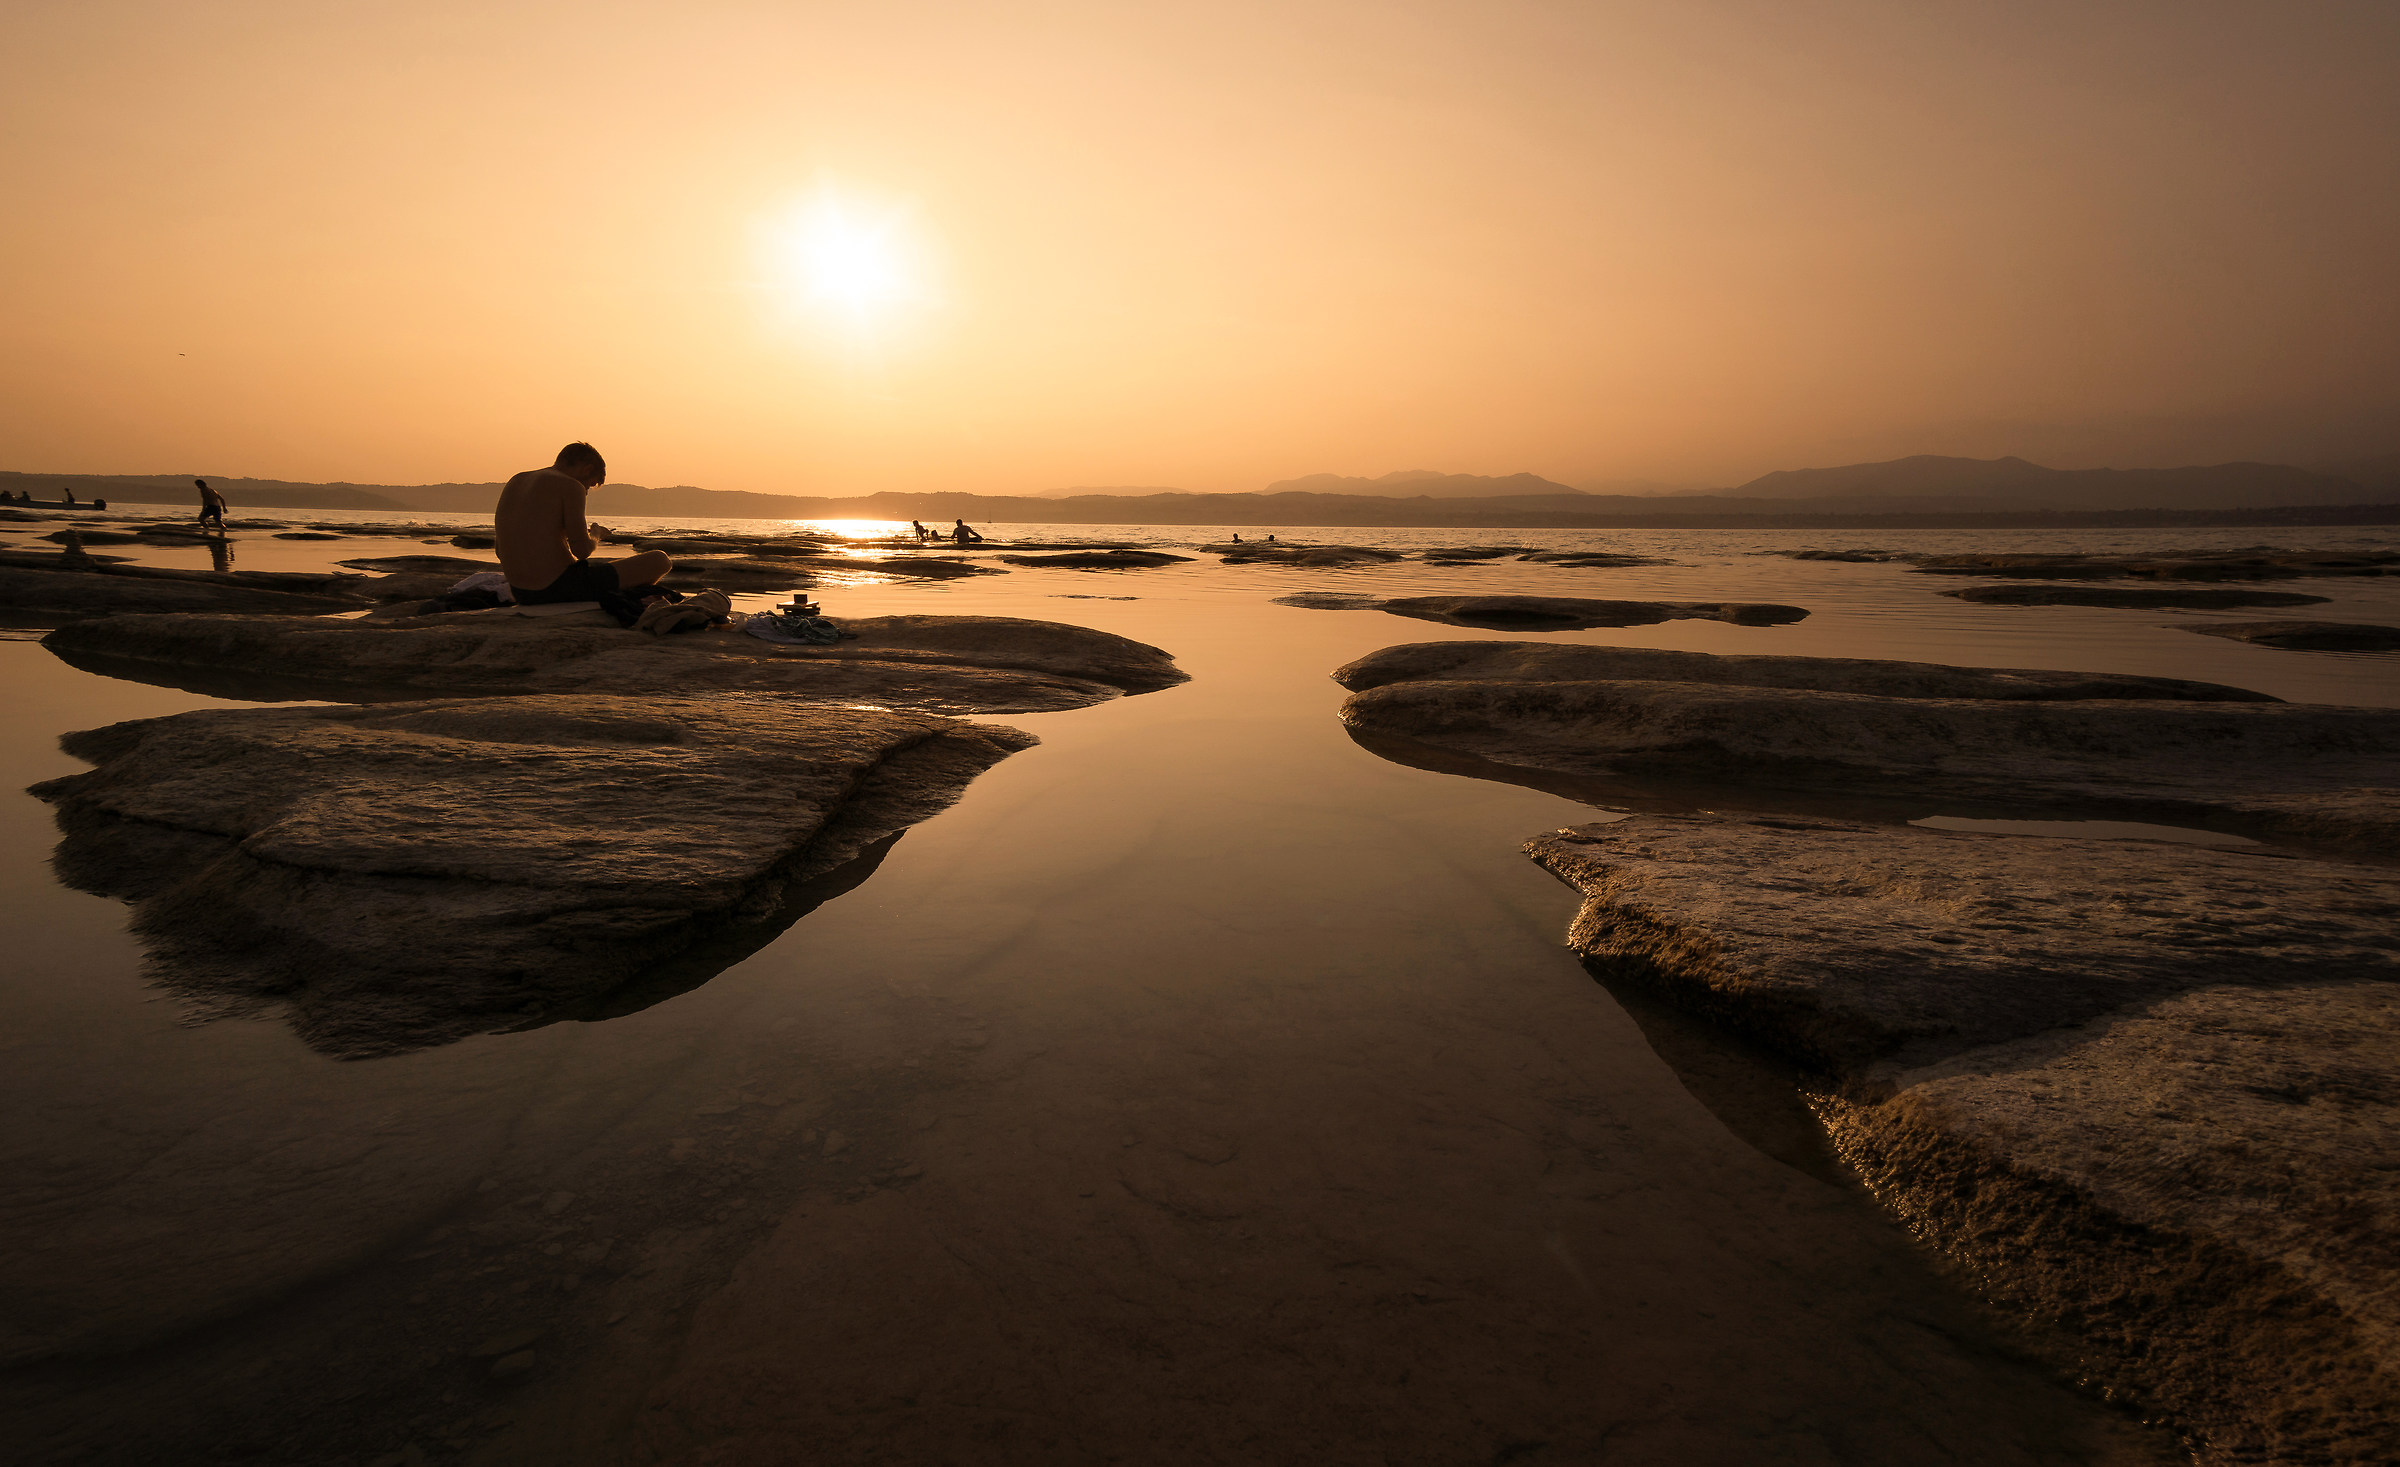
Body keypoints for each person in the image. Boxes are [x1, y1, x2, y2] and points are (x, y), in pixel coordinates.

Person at [494, 442, 670, 604]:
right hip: (556, 589)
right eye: (589, 486)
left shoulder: (516, 480)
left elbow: (500, 551)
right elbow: (582, 551)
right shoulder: (571, 485)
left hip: (520, 593)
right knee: (660, 560)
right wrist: (596, 535)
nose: (585, 492)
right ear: (587, 469)